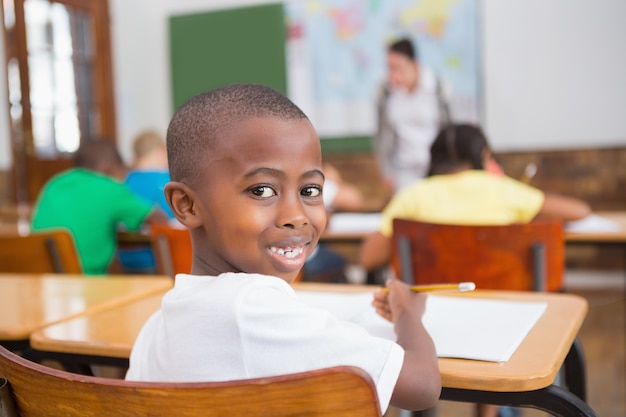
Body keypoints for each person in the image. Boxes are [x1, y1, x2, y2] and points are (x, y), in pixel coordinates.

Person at [125, 84, 441, 413]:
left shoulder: (156, 328)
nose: (296, 216)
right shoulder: (250, 308)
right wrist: (408, 314)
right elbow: (421, 387)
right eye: (261, 190)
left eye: (310, 189)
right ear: (187, 205)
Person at [360, 123, 591, 417]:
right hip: (509, 319)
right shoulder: (504, 189)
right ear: (484, 154)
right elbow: (580, 211)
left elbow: (368, 257)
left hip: (432, 318)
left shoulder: (414, 194)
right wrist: (498, 178)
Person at [30, 140, 169, 275]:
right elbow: (159, 218)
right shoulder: (110, 188)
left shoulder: (54, 184)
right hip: (86, 285)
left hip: (44, 281)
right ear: (108, 169)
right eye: (122, 177)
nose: (123, 184)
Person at [374, 37, 450, 193]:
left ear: (414, 65)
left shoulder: (437, 87)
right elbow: (382, 134)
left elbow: (449, 127)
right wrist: (387, 171)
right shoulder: (386, 92)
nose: (393, 75)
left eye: (398, 68)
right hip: (404, 169)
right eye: (389, 68)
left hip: (435, 167)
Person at [124, 129, 174, 218]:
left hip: (130, 231)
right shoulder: (166, 180)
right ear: (161, 152)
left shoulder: (127, 179)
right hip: (164, 230)